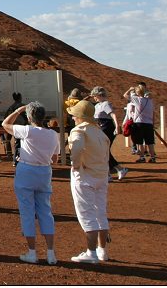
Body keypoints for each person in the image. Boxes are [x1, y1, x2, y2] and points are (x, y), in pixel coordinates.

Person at [3, 101, 61, 265]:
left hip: (27, 171)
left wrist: (18, 110)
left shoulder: (27, 130)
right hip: (44, 172)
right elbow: (54, 159)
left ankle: (32, 252)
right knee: (45, 211)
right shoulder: (52, 135)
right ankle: (50, 253)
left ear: (29, 117)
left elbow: (5, 124)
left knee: (27, 211)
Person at [66, 99, 112, 264]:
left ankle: (91, 252)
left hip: (86, 175)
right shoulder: (99, 132)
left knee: (86, 213)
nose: (72, 118)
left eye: (74, 115)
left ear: (79, 116)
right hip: (101, 175)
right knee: (100, 211)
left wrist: (75, 164)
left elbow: (77, 147)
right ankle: (102, 250)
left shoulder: (79, 130)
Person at [89, 87, 128, 181]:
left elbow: (113, 114)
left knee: (103, 151)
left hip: (107, 128)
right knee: (103, 151)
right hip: (100, 128)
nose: (94, 98)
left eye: (95, 96)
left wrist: (117, 125)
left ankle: (111, 173)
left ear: (100, 95)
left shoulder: (106, 104)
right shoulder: (97, 105)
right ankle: (117, 170)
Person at [124, 83, 156, 162]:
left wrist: (130, 89)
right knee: (150, 142)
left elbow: (125, 95)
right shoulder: (150, 101)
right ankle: (153, 158)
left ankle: (142, 157)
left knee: (140, 142)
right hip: (149, 124)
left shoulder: (137, 99)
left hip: (139, 123)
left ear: (137, 92)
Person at [3, 92, 28, 166]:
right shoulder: (23, 106)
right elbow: (27, 117)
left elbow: (6, 116)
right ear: (20, 98)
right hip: (21, 127)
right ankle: (16, 160)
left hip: (13, 127)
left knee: (15, 143)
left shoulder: (11, 107)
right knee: (19, 144)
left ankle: (11, 155)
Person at [63, 88, 84, 164]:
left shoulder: (68, 102)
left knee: (71, 138)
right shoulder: (81, 102)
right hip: (78, 122)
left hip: (70, 122)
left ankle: (70, 154)